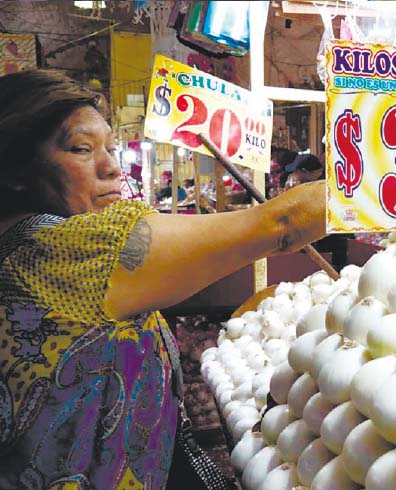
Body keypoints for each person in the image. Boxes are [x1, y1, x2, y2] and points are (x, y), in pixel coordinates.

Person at [0, 70, 326, 489]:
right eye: (81, 149)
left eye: (111, 148)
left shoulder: (18, 243)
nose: (111, 167)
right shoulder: (64, 250)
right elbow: (283, 224)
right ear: (16, 168)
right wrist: (384, 189)